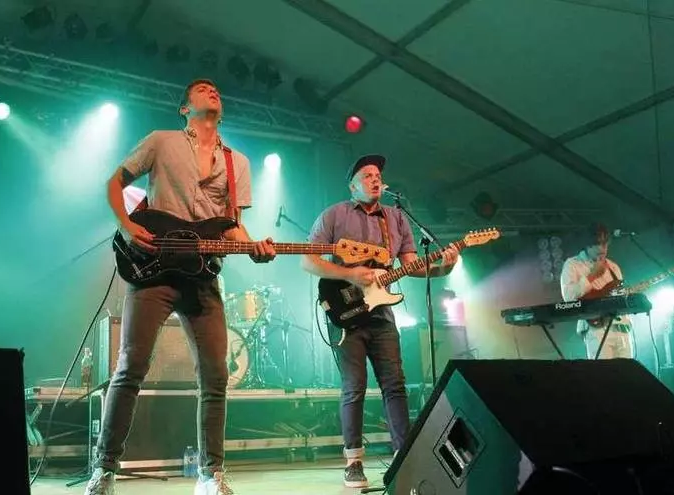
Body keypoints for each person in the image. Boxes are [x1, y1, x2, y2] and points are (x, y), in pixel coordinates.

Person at [85, 79, 276, 495]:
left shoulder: (237, 162)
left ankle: (210, 475)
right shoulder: (161, 141)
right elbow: (114, 183)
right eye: (202, 88)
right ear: (184, 108)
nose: (213, 90)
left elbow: (232, 226)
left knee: (216, 376)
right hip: (153, 272)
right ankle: (104, 470)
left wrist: (252, 247)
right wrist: (127, 225)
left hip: (202, 277)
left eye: (216, 89)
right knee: (130, 368)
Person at [301, 155, 458, 488]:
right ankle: (353, 462)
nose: (375, 179)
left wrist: (445, 266)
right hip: (345, 313)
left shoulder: (396, 218)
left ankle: (404, 457)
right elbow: (308, 261)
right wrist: (349, 275)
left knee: (395, 384)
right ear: (353, 186)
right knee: (354, 386)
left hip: (382, 313)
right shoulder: (334, 215)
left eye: (378, 175)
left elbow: (412, 266)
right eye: (367, 175)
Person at [560, 223, 633, 359]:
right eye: (596, 244)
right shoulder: (572, 264)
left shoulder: (613, 267)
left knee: (628, 370)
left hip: (620, 327)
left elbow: (619, 296)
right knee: (603, 371)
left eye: (604, 244)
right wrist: (592, 276)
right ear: (587, 245)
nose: (601, 248)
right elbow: (568, 297)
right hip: (596, 329)